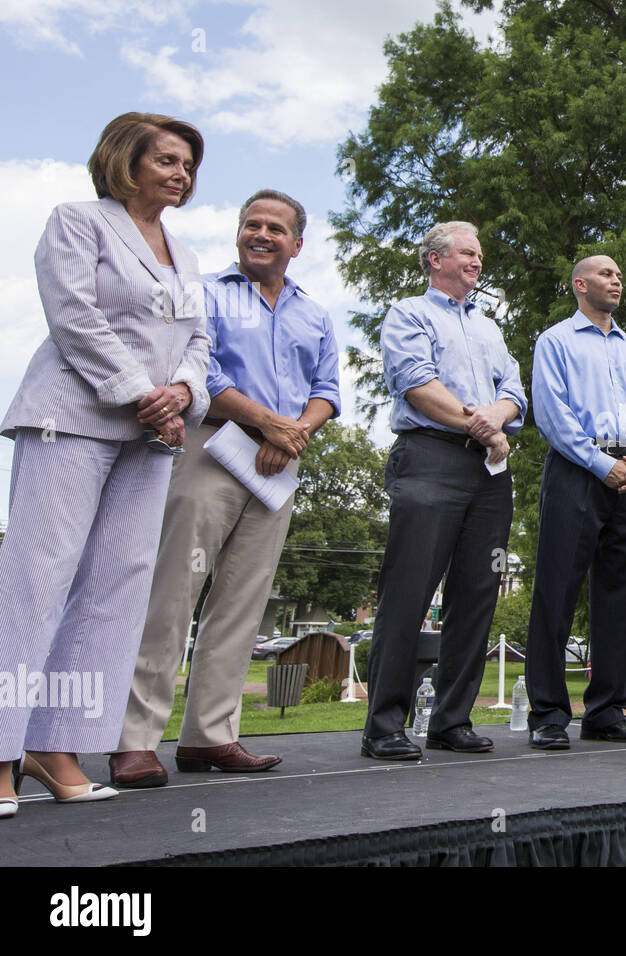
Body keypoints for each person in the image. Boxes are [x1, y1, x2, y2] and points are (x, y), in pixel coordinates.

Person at [0, 112, 209, 813]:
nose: (182, 173)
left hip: (151, 436)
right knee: (36, 579)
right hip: (72, 418)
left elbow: (199, 341)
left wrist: (181, 392)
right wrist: (142, 392)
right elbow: (73, 315)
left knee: (114, 587)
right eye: (169, 160)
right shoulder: (77, 220)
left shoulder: (185, 254)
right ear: (127, 160)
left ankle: (54, 743)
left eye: (188, 164)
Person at [110, 189, 340, 785]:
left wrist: (290, 433)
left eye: (274, 228)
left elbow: (327, 390)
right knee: (173, 593)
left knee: (242, 603)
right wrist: (264, 420)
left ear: (297, 243)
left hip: (277, 467)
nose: (260, 234)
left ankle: (210, 737)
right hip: (209, 452)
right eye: (251, 224)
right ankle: (134, 739)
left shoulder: (313, 313)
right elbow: (200, 371)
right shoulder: (205, 293)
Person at [361, 222, 525, 760]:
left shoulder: (491, 329)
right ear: (435, 259)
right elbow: (416, 382)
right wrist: (480, 423)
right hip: (428, 459)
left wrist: (493, 421)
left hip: (489, 470)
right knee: (409, 593)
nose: (478, 261)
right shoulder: (409, 313)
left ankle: (451, 720)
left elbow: (514, 392)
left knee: (478, 594)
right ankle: (385, 724)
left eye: (480, 253)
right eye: (467, 252)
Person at [525, 254, 626, 750]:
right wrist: (600, 464)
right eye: (607, 274)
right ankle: (547, 713)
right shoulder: (556, 341)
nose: (617, 280)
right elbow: (551, 412)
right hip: (578, 471)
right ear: (580, 284)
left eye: (620, 276)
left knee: (620, 597)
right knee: (556, 591)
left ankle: (606, 710)